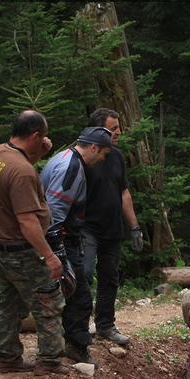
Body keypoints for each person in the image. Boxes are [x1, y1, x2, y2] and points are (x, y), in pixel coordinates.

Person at [0, 110, 67, 375]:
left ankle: (5, 357)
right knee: (49, 304)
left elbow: (18, 172)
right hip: (22, 251)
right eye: (41, 137)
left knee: (8, 304)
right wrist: (49, 256)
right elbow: (28, 222)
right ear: (34, 135)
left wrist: (39, 153)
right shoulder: (23, 172)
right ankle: (51, 361)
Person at [40, 126, 112, 367]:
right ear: (93, 147)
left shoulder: (61, 156)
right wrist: (57, 253)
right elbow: (54, 213)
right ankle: (75, 346)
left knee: (68, 294)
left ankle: (61, 344)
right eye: (103, 154)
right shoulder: (71, 168)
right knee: (79, 296)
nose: (102, 159)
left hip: (60, 239)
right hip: (61, 240)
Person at [82, 108, 142, 346]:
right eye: (113, 128)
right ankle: (79, 325)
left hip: (112, 228)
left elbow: (123, 191)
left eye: (119, 127)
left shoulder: (116, 156)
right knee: (84, 274)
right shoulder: (84, 156)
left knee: (109, 277)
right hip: (86, 227)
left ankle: (105, 325)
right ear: (99, 130)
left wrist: (134, 227)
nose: (119, 132)